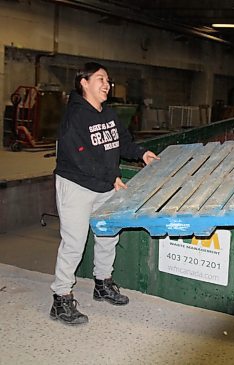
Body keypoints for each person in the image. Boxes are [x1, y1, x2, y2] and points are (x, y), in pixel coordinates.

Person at [50, 62, 159, 325]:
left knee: (107, 235)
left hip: (104, 186)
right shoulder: (74, 118)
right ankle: (61, 298)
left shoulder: (108, 113)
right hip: (76, 186)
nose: (107, 84)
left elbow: (123, 141)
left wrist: (141, 153)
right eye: (100, 79)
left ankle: (102, 283)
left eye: (108, 80)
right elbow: (81, 159)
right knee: (74, 243)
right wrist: (112, 177)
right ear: (84, 83)